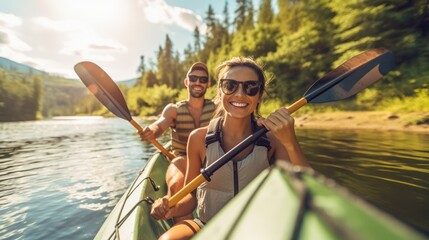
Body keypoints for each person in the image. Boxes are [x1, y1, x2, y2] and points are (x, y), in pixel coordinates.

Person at [150, 57, 309, 239]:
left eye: (250, 87)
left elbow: (304, 189)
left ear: (259, 95)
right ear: (220, 91)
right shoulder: (198, 138)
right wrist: (171, 206)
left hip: (256, 229)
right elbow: (191, 197)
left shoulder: (273, 139)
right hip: (207, 223)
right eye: (230, 85)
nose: (240, 94)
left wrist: (290, 141)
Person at [138, 62, 215, 222]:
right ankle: (182, 226)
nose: (198, 83)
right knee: (175, 187)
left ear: (208, 84)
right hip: (181, 160)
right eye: (193, 78)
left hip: (210, 161)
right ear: (186, 82)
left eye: (202, 79)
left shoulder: (216, 108)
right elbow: (159, 125)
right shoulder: (173, 109)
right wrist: (151, 130)